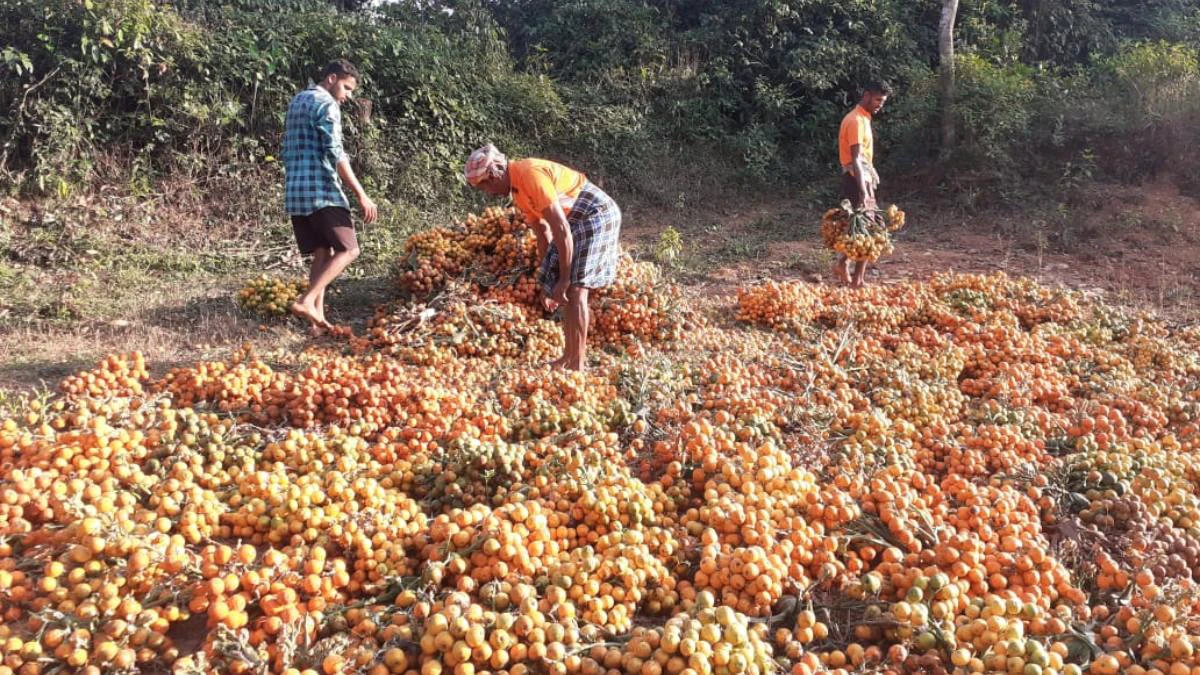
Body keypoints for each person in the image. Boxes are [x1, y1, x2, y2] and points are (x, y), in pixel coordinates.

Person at [464, 144, 621, 371]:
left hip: (596, 213)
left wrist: (564, 279)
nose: (488, 192)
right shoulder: (518, 193)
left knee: (576, 288)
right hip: (575, 221)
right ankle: (568, 357)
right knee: (566, 289)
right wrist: (548, 281)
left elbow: (561, 229)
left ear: (496, 173)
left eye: (486, 185)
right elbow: (544, 234)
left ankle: (576, 363)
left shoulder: (529, 174)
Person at [282, 58, 378, 332]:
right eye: (347, 88)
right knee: (350, 249)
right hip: (321, 190)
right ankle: (306, 300)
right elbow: (336, 153)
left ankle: (317, 324)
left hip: (296, 191)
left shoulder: (298, 100)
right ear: (332, 79)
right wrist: (361, 195)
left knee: (323, 253)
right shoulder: (326, 104)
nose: (348, 96)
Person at [835, 80, 892, 288]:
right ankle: (855, 278)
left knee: (864, 228)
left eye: (883, 101)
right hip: (856, 179)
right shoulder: (856, 121)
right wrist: (863, 191)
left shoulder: (863, 118)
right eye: (878, 99)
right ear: (866, 95)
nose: (880, 105)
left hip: (862, 177)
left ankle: (846, 266)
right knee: (868, 228)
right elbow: (856, 158)